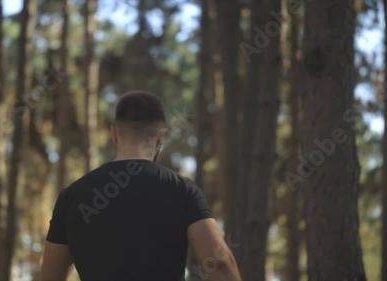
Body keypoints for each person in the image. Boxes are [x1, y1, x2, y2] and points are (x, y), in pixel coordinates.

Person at [41, 90, 241, 281]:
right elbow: (219, 263)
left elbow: (49, 278)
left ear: (115, 135)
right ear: (161, 137)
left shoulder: (72, 196)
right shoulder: (182, 191)